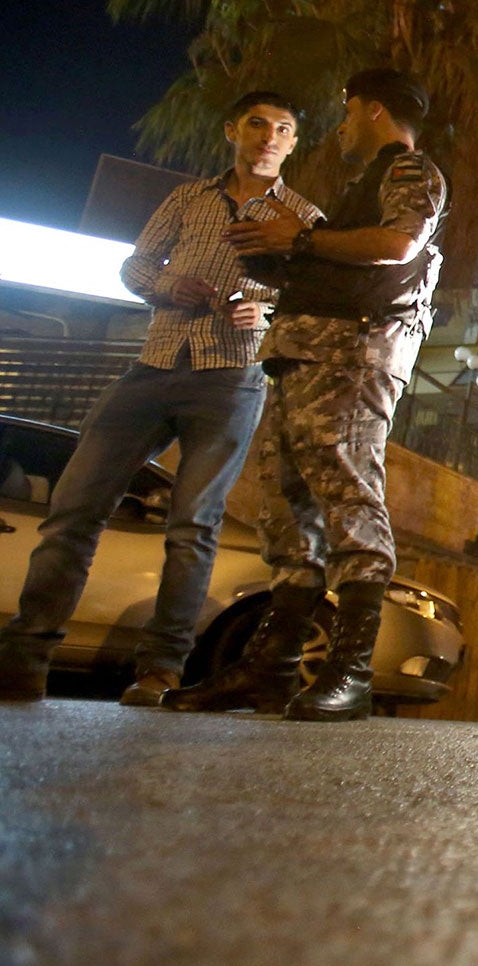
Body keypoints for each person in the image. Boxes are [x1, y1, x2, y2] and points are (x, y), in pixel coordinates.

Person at [0, 92, 316, 706]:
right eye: (257, 124)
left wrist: (267, 310)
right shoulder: (188, 198)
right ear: (233, 130)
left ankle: (161, 671)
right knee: (72, 508)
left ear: (294, 144)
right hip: (153, 363)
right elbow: (135, 266)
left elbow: (307, 298)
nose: (269, 137)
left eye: (283, 129)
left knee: (193, 524)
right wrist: (173, 284)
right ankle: (26, 656)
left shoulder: (303, 217)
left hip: (230, 376)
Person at [166, 68, 446, 722]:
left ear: (373, 111)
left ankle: (350, 672)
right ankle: (270, 669)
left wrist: (296, 239)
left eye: (348, 114)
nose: (342, 128)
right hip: (302, 353)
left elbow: (400, 243)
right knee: (287, 514)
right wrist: (281, 262)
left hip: (352, 353)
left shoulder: (409, 169)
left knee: (350, 494)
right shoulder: (362, 184)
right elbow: (339, 255)